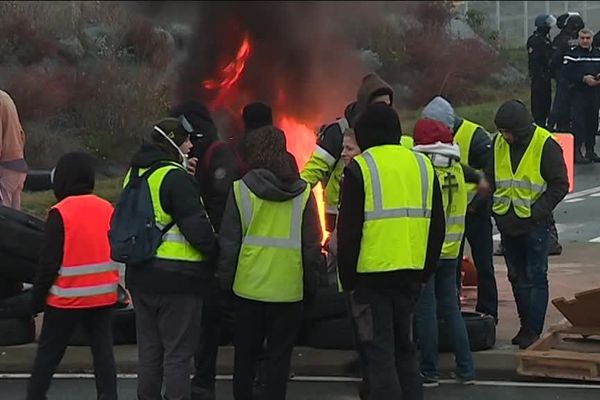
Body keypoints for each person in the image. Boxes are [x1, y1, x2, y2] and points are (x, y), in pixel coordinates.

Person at [338, 104, 445, 400]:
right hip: (411, 276)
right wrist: (425, 272)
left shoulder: (361, 168)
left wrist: (347, 281)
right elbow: (438, 227)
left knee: (379, 354)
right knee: (406, 351)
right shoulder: (423, 165)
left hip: (370, 279)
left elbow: (349, 234)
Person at [218, 125, 323, 400]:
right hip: (288, 293)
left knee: (245, 359)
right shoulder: (302, 194)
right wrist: (312, 288)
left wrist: (223, 287)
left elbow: (229, 246)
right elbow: (311, 249)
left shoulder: (240, 191)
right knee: (278, 362)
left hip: (247, 291)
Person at [124, 117, 217, 400]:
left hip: (140, 277)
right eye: (187, 140)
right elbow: (198, 231)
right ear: (173, 141)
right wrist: (218, 252)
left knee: (150, 353)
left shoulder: (135, 174)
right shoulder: (175, 179)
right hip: (178, 282)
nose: (191, 146)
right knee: (177, 356)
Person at [26, 152, 118, 400]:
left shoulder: (60, 212)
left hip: (66, 299)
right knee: (103, 356)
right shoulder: (106, 208)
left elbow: (48, 264)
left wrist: (36, 302)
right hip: (102, 297)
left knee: (47, 358)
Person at [487, 100, 568, 349]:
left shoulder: (544, 144)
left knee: (535, 276)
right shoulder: (498, 143)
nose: (504, 136)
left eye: (507, 131)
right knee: (516, 277)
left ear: (519, 130)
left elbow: (559, 184)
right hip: (508, 224)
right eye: (501, 131)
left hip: (534, 225)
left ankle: (532, 329)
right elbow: (491, 177)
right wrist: (495, 210)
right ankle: (526, 326)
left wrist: (537, 212)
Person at [412, 119, 476, 387]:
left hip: (428, 251)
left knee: (426, 311)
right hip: (452, 251)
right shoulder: (457, 170)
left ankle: (429, 371)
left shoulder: (423, 172)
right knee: (451, 310)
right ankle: (466, 369)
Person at [421, 96, 498, 321]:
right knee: (450, 266)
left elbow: (490, 177)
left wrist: (475, 206)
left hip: (475, 213)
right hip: (449, 214)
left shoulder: (476, 137)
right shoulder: (430, 139)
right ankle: (449, 308)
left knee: (483, 264)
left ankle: (488, 313)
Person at [301, 73, 393, 233]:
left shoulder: (390, 135)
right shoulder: (338, 132)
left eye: (388, 105)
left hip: (375, 222)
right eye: (380, 105)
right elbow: (313, 171)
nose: (384, 111)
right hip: (338, 221)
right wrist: (290, 191)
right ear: (366, 104)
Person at [564, 28, 600, 163]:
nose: (585, 41)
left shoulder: (597, 54)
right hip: (578, 94)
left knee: (593, 123)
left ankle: (590, 150)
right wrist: (583, 78)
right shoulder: (572, 54)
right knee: (578, 124)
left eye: (587, 38)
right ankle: (577, 151)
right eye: (582, 38)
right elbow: (566, 74)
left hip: (594, 94)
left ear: (592, 39)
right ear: (578, 39)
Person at [548, 13, 585, 133]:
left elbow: (555, 59)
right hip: (580, 78)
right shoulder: (584, 40)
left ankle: (553, 126)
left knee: (560, 104)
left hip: (564, 77)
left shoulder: (562, 39)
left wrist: (552, 72)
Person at [0, 90, 28, 209]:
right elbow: (21, 134)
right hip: (18, 165)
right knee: (16, 219)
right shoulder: (5, 97)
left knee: (3, 217)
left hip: (6, 169)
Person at [528, 14, 557, 127]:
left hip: (546, 76)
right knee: (538, 101)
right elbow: (535, 61)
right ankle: (539, 122)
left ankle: (544, 121)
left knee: (546, 101)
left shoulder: (546, 39)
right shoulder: (535, 40)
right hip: (539, 77)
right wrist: (541, 74)